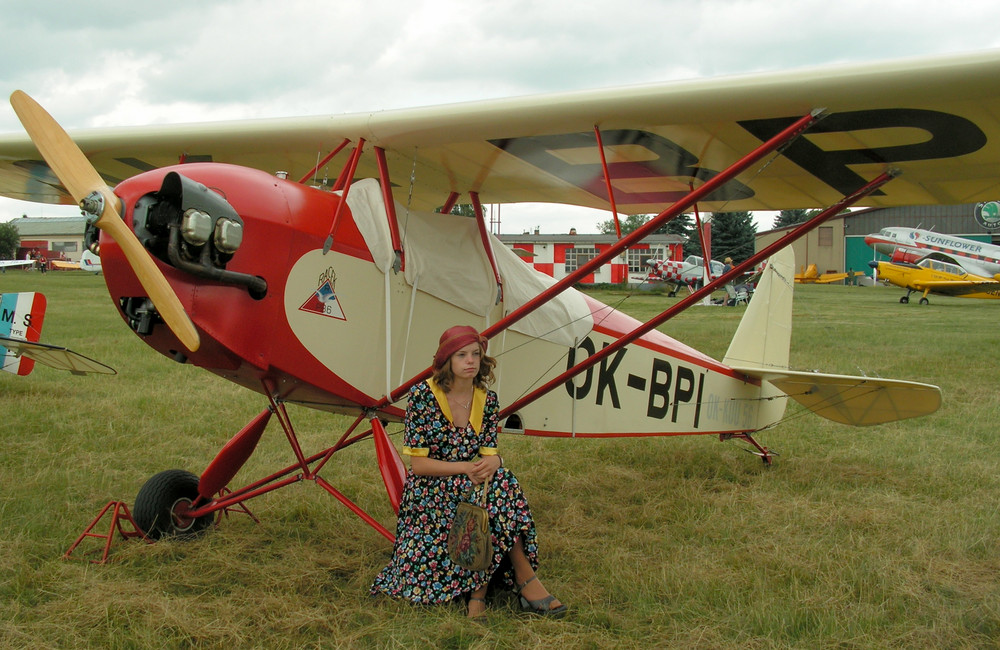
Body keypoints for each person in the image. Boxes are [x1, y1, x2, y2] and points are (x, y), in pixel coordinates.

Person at [371, 325, 566, 619]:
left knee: (502, 483)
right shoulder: (423, 395)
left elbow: (490, 452)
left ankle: (484, 591)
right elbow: (419, 466)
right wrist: (466, 468)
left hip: (472, 482)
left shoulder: (487, 399)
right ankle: (517, 585)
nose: (471, 361)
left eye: (475, 354)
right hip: (430, 489)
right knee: (498, 493)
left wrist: (496, 462)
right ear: (447, 360)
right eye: (462, 355)